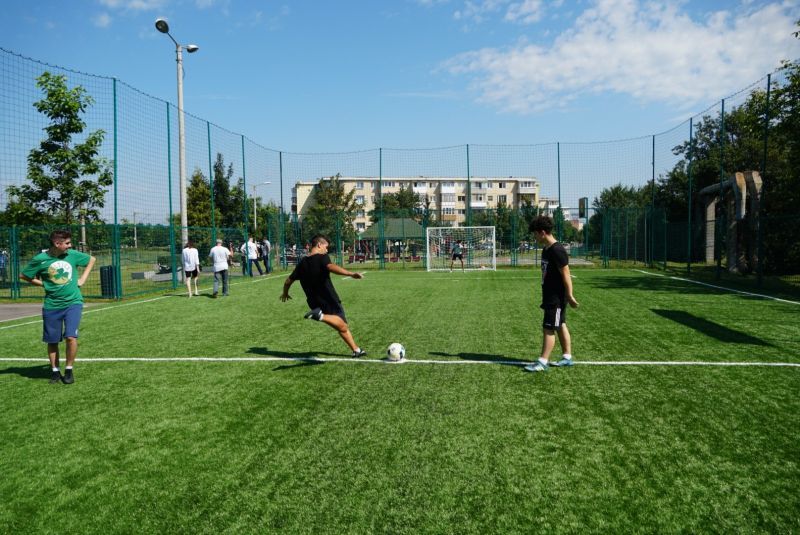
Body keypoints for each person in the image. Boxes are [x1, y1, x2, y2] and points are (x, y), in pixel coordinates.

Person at [19, 230, 96, 385]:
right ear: (57, 243)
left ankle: (68, 370)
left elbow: (91, 260)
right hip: (51, 305)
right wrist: (44, 284)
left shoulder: (72, 255)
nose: (70, 245)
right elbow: (24, 276)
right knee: (52, 340)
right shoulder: (40, 259)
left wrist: (82, 278)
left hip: (73, 302)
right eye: (67, 243)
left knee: (70, 337)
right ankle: (55, 371)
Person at [280, 234, 366, 358]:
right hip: (329, 299)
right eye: (326, 246)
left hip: (314, 303)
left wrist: (285, 293)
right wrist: (351, 274)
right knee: (343, 325)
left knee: (341, 327)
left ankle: (356, 350)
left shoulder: (302, 263)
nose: (327, 250)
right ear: (319, 244)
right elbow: (331, 267)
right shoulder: (322, 257)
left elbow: (288, 281)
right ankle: (320, 316)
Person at [524, 215, 579, 372]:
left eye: (535, 234)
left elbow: (566, 274)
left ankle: (542, 361)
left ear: (542, 232)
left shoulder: (557, 250)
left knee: (548, 328)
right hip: (549, 295)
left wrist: (569, 295)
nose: (534, 237)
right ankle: (567, 357)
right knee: (560, 324)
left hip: (556, 298)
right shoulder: (546, 249)